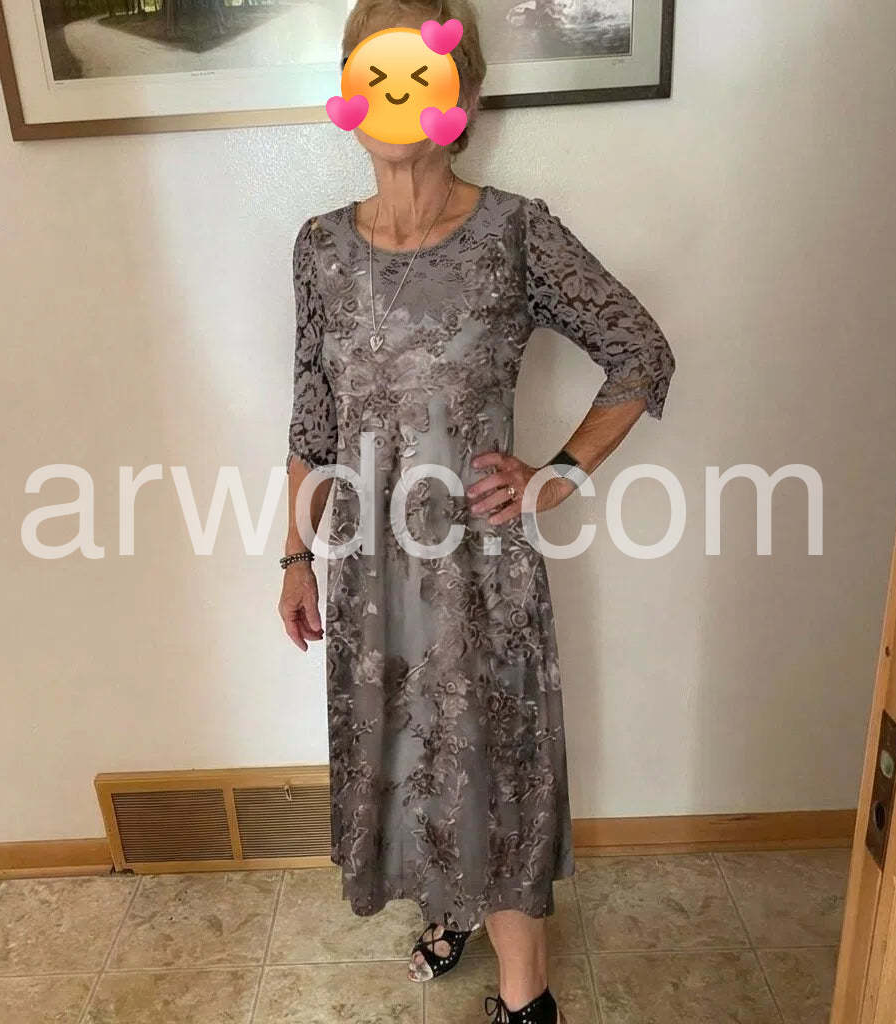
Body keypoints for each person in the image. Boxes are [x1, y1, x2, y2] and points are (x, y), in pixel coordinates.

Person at [278, 3, 676, 1021]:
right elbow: (312, 419)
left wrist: (556, 475)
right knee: (407, 752)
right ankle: (446, 906)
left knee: (495, 769)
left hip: (477, 570)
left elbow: (638, 351)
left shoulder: (514, 232)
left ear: (462, 94)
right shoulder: (319, 248)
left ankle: (525, 998)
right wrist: (293, 557)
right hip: (368, 570)